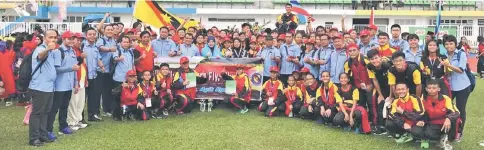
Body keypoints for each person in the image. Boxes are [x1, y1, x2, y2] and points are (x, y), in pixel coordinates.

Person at [28, 29, 59, 146]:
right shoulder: (41, 48)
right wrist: (47, 49)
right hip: (40, 87)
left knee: (45, 112)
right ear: (45, 38)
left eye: (55, 37)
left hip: (49, 87)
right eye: (50, 37)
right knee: (37, 113)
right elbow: (40, 57)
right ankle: (34, 138)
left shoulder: (52, 51)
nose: (53, 39)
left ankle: (42, 134)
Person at [411, 79, 460, 149]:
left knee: (430, 134)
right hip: (429, 122)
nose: (431, 90)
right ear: (426, 89)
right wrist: (421, 120)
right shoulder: (423, 99)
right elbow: (421, 113)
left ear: (439, 89)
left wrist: (448, 118)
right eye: (429, 88)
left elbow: (456, 112)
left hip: (442, 123)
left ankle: (446, 137)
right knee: (415, 131)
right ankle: (425, 138)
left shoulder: (446, 99)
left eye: (434, 88)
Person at [47, 31, 80, 136]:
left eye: (72, 39)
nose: (71, 41)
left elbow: (75, 69)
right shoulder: (58, 51)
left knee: (65, 107)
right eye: (69, 39)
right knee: (54, 108)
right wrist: (70, 68)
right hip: (59, 85)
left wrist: (76, 82)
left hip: (69, 84)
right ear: (63, 39)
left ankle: (63, 126)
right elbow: (56, 69)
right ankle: (49, 129)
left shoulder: (73, 52)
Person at [443, 35, 471, 139]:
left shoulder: (461, 54)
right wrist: (445, 68)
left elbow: (461, 70)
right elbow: (445, 73)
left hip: (462, 86)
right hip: (449, 86)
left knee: (460, 109)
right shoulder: (444, 55)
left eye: (451, 43)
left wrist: (448, 65)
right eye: (446, 44)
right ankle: (447, 129)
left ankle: (459, 132)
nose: (449, 46)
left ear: (455, 44)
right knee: (447, 108)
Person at [344, 43, 373, 120]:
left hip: (369, 86)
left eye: (354, 50)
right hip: (358, 87)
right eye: (350, 51)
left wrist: (371, 84)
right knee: (361, 104)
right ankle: (362, 121)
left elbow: (373, 72)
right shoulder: (347, 63)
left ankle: (374, 123)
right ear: (347, 52)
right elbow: (347, 76)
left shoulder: (365, 60)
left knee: (371, 104)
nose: (352, 52)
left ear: (359, 51)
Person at [66, 32, 88, 130]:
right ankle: (71, 122)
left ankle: (78, 120)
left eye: (80, 40)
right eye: (77, 40)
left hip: (82, 80)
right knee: (73, 103)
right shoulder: (71, 51)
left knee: (80, 103)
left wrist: (85, 79)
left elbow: (83, 67)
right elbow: (74, 66)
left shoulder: (79, 50)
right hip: (75, 81)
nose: (79, 42)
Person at [366, 49, 392, 135]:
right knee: (380, 102)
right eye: (372, 59)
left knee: (391, 105)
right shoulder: (369, 66)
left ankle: (393, 128)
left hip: (393, 86)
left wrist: (391, 95)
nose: (374, 61)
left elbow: (392, 82)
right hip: (382, 87)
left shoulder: (387, 65)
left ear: (380, 57)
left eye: (376, 58)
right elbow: (375, 80)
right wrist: (380, 94)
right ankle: (382, 126)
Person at [96, 24, 117, 118]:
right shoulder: (101, 40)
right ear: (104, 31)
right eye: (108, 29)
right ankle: (103, 109)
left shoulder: (114, 41)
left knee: (109, 90)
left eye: (111, 29)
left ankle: (108, 108)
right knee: (101, 91)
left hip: (111, 69)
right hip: (101, 69)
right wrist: (109, 49)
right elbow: (100, 48)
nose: (110, 31)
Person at [111, 36, 135, 121]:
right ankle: (116, 115)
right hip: (119, 78)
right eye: (124, 42)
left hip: (129, 78)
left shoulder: (131, 52)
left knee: (128, 97)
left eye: (127, 42)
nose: (125, 44)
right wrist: (118, 59)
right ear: (121, 43)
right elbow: (114, 59)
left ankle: (126, 113)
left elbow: (132, 64)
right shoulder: (118, 50)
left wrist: (134, 75)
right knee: (117, 97)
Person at [83, 27, 103, 122]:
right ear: (86, 35)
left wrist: (102, 66)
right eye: (90, 34)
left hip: (94, 75)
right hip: (84, 77)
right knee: (82, 99)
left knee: (93, 97)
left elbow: (98, 59)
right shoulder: (82, 46)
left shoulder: (96, 47)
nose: (92, 36)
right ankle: (80, 118)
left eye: (94, 34)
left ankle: (92, 115)